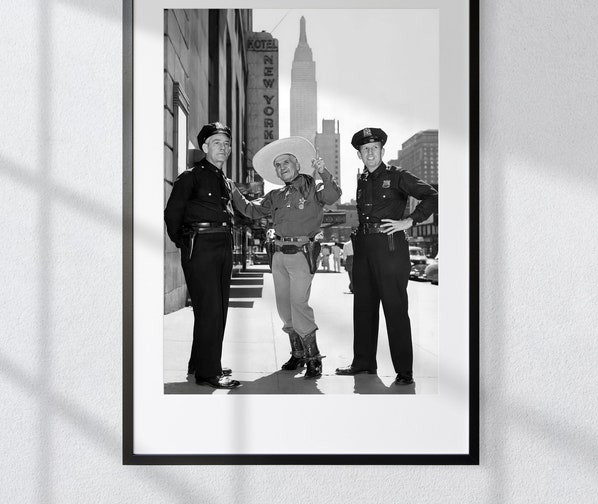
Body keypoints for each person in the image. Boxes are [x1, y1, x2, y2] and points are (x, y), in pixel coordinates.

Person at [232, 136, 342, 379]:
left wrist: (324, 173)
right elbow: (251, 209)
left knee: (298, 304)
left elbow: (333, 196)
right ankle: (298, 353)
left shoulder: (315, 188)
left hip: (302, 254)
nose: (282, 168)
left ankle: (314, 358)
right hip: (278, 255)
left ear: (297, 165)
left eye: (286, 163)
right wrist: (233, 190)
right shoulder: (275, 196)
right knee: (284, 308)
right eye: (277, 166)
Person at [335, 127, 438, 386]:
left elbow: (432, 196)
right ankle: (364, 363)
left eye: (374, 148)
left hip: (390, 248)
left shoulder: (397, 176)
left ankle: (404, 371)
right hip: (364, 249)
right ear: (359, 155)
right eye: (364, 149)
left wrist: (409, 221)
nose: (369, 152)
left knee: (395, 310)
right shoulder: (362, 180)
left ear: (382, 151)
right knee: (363, 308)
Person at [163, 122, 241, 390]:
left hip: (223, 245)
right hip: (201, 247)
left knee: (216, 309)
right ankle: (209, 374)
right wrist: (185, 243)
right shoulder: (191, 176)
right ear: (205, 147)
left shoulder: (223, 180)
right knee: (210, 310)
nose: (224, 148)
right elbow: (172, 214)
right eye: (217, 143)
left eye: (227, 144)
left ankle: (203, 362)